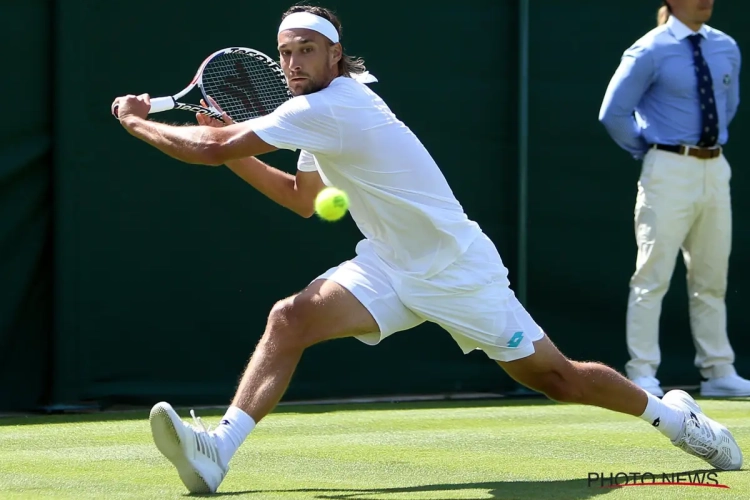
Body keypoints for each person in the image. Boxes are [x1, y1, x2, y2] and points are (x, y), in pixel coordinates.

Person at [112, 4, 743, 494]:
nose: (293, 63)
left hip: (457, 269)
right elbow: (302, 199)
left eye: (307, 50)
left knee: (558, 378)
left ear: (335, 55)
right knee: (290, 317)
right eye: (285, 53)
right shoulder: (310, 110)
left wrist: (139, 122)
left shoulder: (334, 107)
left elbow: (215, 149)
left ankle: (676, 420)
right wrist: (227, 146)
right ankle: (217, 451)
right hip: (388, 264)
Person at [599, 0, 750, 398]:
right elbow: (613, 114)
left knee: (712, 278)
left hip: (716, 168)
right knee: (652, 276)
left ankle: (719, 371)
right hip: (667, 169)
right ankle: (643, 372)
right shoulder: (648, 49)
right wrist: (652, 151)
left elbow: (727, 107)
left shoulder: (726, 46)